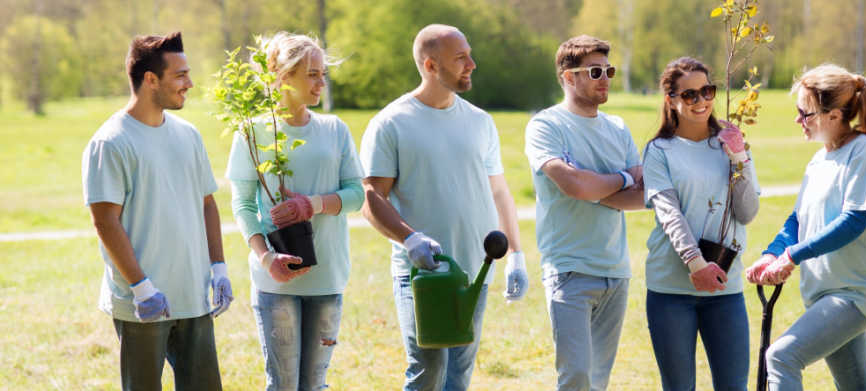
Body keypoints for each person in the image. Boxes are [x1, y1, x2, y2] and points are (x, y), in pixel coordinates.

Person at [359, 24, 527, 391]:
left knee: (459, 376)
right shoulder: (391, 123)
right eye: (460, 58)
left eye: (469, 54)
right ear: (431, 65)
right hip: (424, 274)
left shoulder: (480, 121)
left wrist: (516, 253)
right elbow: (372, 198)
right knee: (428, 371)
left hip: (475, 271)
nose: (473, 63)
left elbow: (498, 191)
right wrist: (409, 239)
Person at [81, 32, 229, 390]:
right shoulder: (111, 142)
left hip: (193, 295)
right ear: (150, 80)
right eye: (180, 75)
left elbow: (207, 203)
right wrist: (141, 287)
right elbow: (105, 221)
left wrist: (219, 266)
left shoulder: (189, 135)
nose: (190, 83)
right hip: (142, 302)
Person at [744, 64, 866, 391]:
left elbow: (854, 221)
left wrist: (793, 256)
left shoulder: (864, 152)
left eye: (805, 113)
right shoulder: (819, 160)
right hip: (824, 295)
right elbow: (797, 221)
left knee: (781, 357)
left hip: (854, 295)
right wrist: (771, 254)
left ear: (833, 115)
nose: (798, 120)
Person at [225, 31, 364, 390]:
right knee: (283, 385)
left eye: (323, 74)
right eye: (312, 74)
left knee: (315, 384)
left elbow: (355, 195)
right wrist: (264, 257)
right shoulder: (252, 133)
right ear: (284, 76)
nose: (321, 83)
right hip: (275, 279)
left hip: (328, 277)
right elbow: (241, 204)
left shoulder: (335, 130)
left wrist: (311, 204)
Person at [524, 35, 645, 391]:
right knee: (575, 376)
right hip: (569, 270)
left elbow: (643, 195)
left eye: (608, 70)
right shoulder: (546, 126)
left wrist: (592, 187)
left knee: (597, 380)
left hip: (615, 271)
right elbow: (574, 185)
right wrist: (618, 180)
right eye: (595, 71)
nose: (605, 78)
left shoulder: (618, 127)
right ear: (568, 77)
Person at [642, 57, 760, 391]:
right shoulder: (659, 151)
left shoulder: (732, 143)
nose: (702, 101)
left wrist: (739, 158)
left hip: (725, 289)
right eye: (690, 95)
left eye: (706, 91)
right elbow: (668, 213)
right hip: (671, 291)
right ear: (672, 100)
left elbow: (748, 212)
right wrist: (697, 264)